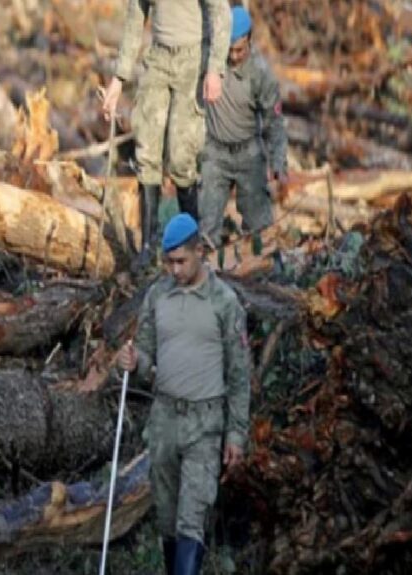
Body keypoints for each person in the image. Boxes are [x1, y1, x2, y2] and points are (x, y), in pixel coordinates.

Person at [117, 213, 250, 575]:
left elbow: (239, 373)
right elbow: (144, 356)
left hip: (205, 424)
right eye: (169, 262)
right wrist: (131, 360)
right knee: (168, 519)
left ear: (200, 252)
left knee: (192, 518)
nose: (174, 270)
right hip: (164, 421)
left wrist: (236, 433)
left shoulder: (224, 302)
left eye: (181, 261)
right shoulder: (158, 297)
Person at [101, 0, 231, 268]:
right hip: (159, 58)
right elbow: (136, 18)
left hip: (193, 58)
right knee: (146, 150)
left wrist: (215, 69)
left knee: (181, 156)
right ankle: (148, 247)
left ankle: (193, 244)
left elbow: (221, 13)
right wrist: (119, 78)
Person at [199, 5, 287, 250]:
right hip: (215, 152)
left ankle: (265, 274)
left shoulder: (261, 75)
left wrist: (278, 161)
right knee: (206, 225)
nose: (234, 56)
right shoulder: (210, 59)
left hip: (249, 152)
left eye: (239, 50)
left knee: (260, 227)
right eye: (229, 50)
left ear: (249, 39)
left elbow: (275, 122)